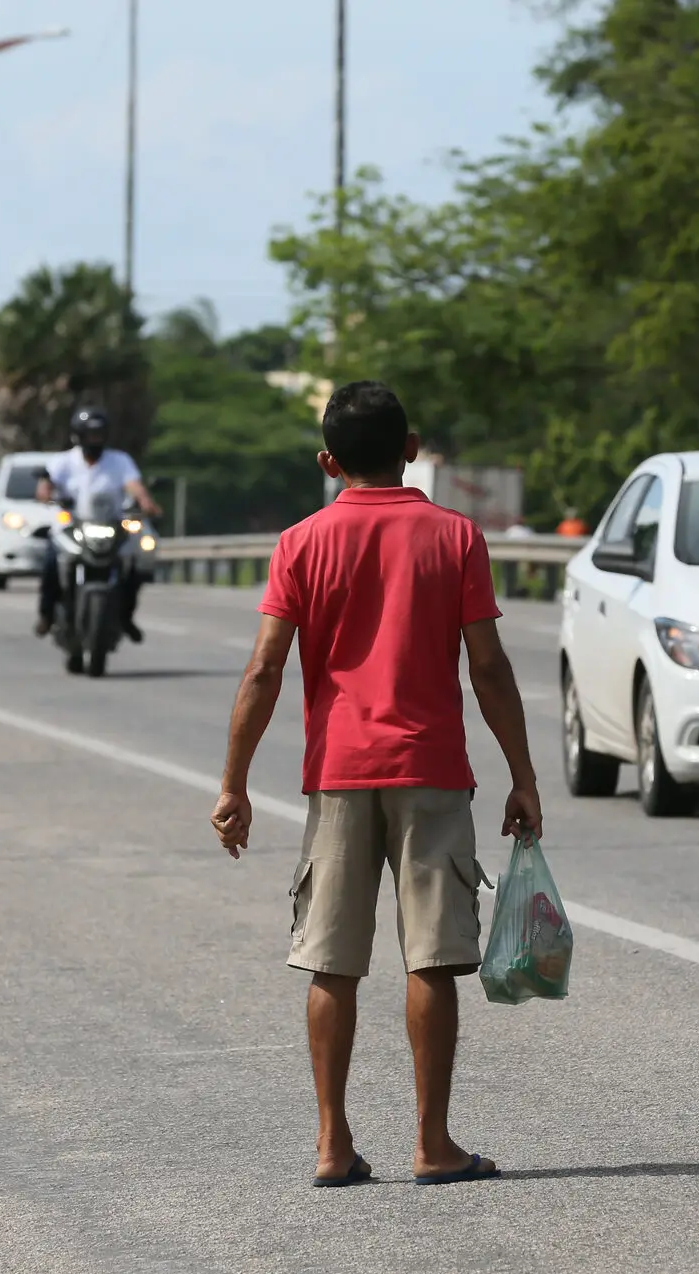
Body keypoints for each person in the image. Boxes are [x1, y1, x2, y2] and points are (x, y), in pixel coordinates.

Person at [211, 380, 542, 1188]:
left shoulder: (299, 542)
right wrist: (524, 777)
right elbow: (489, 667)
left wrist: (235, 784)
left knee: (333, 962)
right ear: (412, 448)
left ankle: (332, 1144)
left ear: (329, 462)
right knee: (432, 958)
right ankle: (433, 1144)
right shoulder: (454, 536)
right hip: (431, 772)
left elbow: (264, 668)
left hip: (337, 775)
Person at [35, 406, 164, 641]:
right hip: (72, 526)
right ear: (78, 436)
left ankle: (125, 616)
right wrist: (47, 495)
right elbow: (45, 485)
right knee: (51, 562)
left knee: (132, 568)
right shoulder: (63, 461)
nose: (95, 439)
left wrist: (146, 502)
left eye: (99, 434)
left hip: (111, 525)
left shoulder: (119, 460)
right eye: (90, 434)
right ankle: (46, 615)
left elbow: (135, 485)